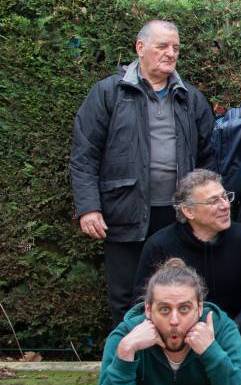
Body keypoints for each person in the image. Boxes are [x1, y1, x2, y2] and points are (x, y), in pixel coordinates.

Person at [71, 20, 215, 324]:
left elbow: (209, 158)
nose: (170, 53)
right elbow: (85, 155)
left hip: (178, 215)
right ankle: (129, 365)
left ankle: (173, 366)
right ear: (140, 48)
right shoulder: (109, 93)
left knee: (180, 293)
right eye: (162, 46)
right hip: (125, 211)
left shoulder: (190, 97)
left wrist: (204, 207)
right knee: (126, 297)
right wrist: (89, 208)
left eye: (175, 47)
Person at [134, 169, 241, 385]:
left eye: (225, 196)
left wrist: (230, 329)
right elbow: (142, 302)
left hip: (238, 325)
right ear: (188, 211)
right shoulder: (159, 245)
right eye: (213, 201)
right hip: (177, 326)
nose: (225, 205)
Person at [98, 258, 241, 385]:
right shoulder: (125, 337)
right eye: (164, 309)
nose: (174, 320)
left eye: (184, 309)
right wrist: (125, 354)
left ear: (199, 308)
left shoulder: (221, 330)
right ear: (148, 309)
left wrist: (212, 352)